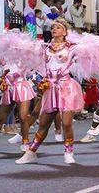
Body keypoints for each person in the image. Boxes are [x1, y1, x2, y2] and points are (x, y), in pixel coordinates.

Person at [16, 18, 84, 164]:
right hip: (50, 88)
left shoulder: (72, 47)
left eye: (58, 27)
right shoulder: (45, 48)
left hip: (66, 87)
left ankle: (69, 152)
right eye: (53, 27)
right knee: (43, 124)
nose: (54, 29)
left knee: (66, 123)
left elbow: (92, 50)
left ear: (65, 32)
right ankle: (31, 152)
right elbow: (32, 59)